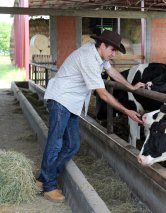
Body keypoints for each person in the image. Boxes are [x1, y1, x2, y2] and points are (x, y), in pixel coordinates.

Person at [35, 30, 145, 203]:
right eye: (112, 50)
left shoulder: (99, 56)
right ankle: (48, 186)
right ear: (102, 45)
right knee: (56, 143)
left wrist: (130, 87)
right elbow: (103, 94)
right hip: (60, 100)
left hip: (72, 103)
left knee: (72, 145)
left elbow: (113, 72)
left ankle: (43, 178)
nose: (114, 54)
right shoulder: (88, 58)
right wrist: (127, 111)